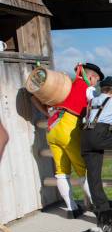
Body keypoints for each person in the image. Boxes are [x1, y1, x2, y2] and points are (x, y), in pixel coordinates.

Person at [30, 62, 101, 219]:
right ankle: (100, 208)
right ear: (91, 77)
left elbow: (34, 98)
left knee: (61, 172)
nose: (96, 83)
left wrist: (47, 113)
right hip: (69, 127)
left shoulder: (65, 85)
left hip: (52, 127)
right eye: (97, 80)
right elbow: (98, 105)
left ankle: (71, 209)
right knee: (84, 170)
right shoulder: (88, 88)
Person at [81, 76, 112, 212]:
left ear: (102, 89)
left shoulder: (92, 101)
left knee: (93, 176)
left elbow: (101, 116)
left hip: (85, 136)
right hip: (99, 135)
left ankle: (102, 207)